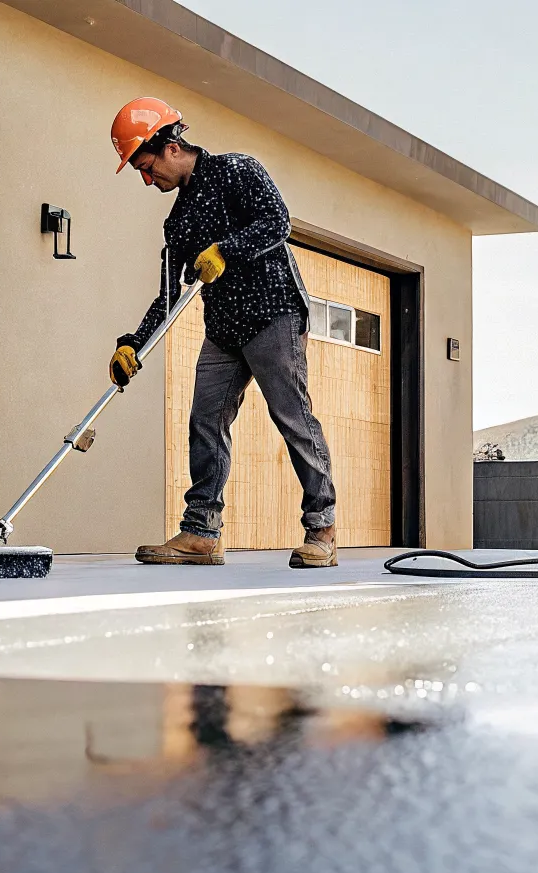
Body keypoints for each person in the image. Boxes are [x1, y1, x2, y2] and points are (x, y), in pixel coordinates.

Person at [107, 97, 337, 568]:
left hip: (274, 313)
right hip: (225, 329)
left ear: (169, 145)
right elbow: (169, 294)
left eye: (147, 167)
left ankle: (322, 529)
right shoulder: (178, 221)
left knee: (292, 418)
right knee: (204, 421)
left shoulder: (237, 170)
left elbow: (277, 222)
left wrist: (226, 249)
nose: (149, 180)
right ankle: (201, 533)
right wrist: (133, 342)